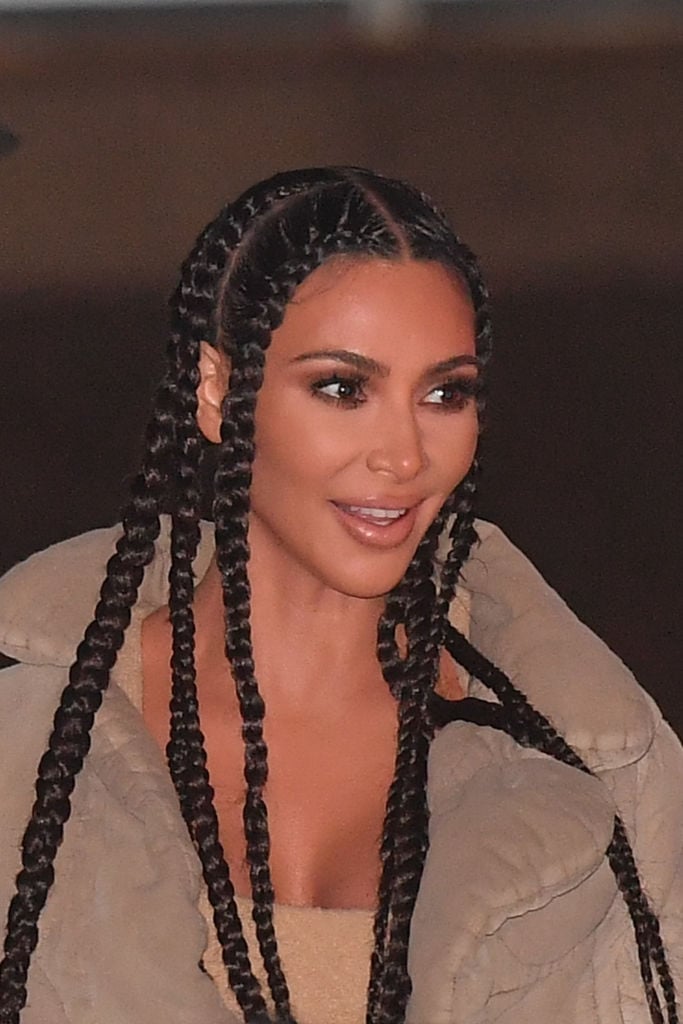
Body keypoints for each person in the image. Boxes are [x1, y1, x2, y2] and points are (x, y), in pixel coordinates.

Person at [0, 166, 680, 1024]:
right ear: (218, 391)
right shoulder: (28, 753)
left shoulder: (597, 755)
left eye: (444, 393)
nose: (403, 454)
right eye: (342, 388)